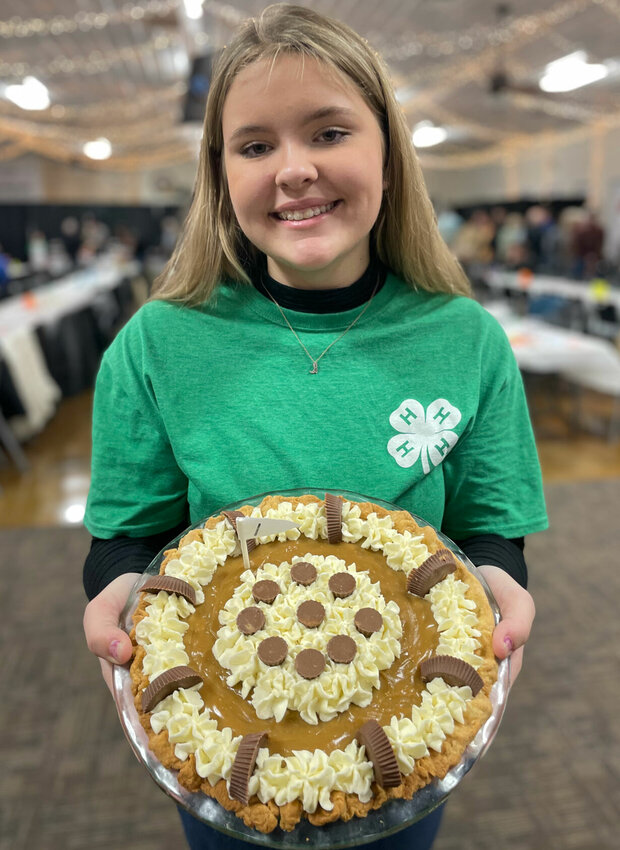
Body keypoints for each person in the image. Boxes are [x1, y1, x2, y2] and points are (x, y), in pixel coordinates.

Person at [82, 5, 547, 849]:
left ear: (387, 152)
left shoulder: (468, 341)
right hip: (232, 753)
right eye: (255, 146)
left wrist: (499, 577)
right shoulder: (156, 344)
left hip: (401, 747)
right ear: (220, 172)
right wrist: (113, 590)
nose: (293, 170)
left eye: (329, 132)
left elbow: (488, 530)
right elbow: (128, 536)